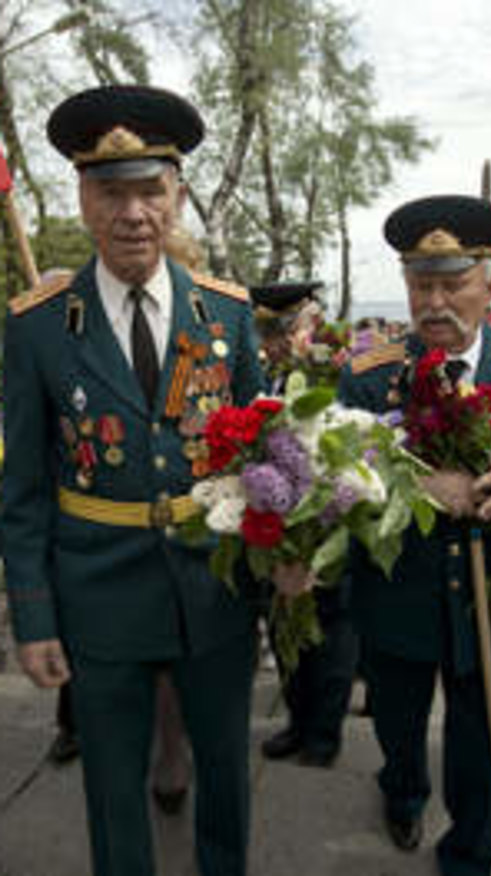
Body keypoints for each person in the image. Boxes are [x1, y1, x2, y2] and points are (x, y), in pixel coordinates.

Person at [1, 84, 265, 876]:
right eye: (111, 193)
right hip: (97, 594)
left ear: (177, 194)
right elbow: (21, 493)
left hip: (213, 589)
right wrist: (35, 617)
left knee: (225, 774)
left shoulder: (229, 316)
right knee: (114, 789)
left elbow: (267, 460)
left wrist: (285, 554)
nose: (133, 213)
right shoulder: (39, 326)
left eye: (151, 190)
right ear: (82, 199)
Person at [338, 194, 491, 876]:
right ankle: (403, 791)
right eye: (422, 284)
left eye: (454, 283)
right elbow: (335, 469)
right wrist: (413, 484)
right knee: (397, 722)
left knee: (482, 739)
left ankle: (471, 850)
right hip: (398, 595)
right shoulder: (368, 375)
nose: (436, 302)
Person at [250, 280, 358, 767]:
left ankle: (324, 734)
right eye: (267, 332)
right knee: (284, 626)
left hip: (329, 522)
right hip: (279, 526)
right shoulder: (260, 376)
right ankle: (297, 721)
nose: (275, 343)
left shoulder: (336, 375)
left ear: (310, 324)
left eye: (285, 330)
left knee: (331, 635)